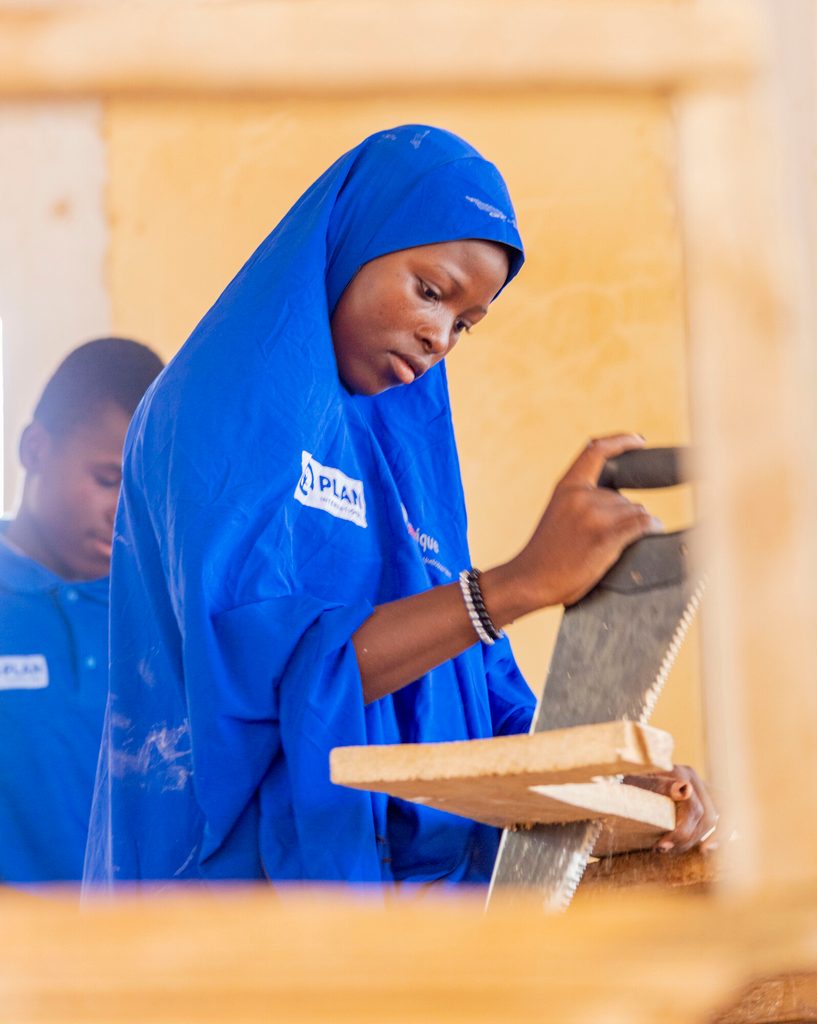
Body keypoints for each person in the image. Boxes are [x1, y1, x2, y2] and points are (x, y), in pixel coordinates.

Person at [85, 125, 715, 886]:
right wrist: (516, 586)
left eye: (465, 323)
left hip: (398, 914)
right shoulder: (220, 409)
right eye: (429, 290)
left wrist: (610, 790)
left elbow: (471, 688)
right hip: (235, 910)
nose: (437, 336)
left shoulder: (406, 444)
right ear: (351, 239)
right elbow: (256, 682)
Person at [0, 337, 164, 882]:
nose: (123, 512)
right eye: (108, 480)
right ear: (34, 449)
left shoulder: (160, 618)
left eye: (141, 492)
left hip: (132, 956)